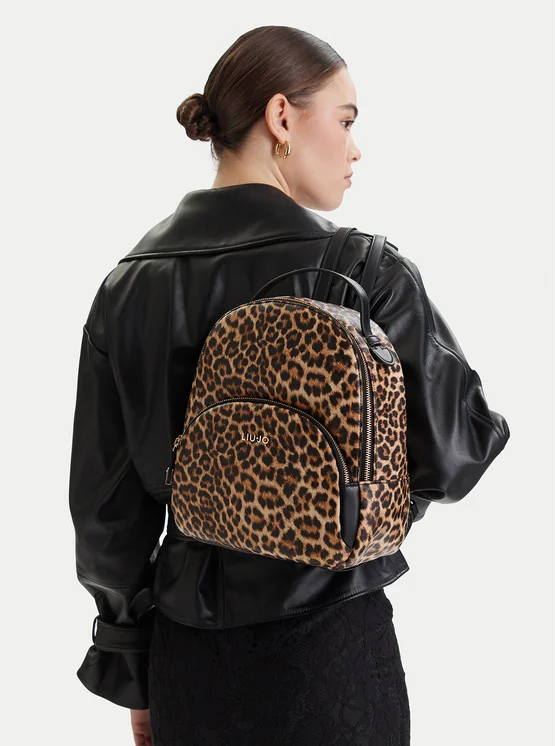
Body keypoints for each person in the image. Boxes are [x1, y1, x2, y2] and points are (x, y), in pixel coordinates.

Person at [68, 25, 510, 746]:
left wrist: (133, 670)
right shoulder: (363, 272)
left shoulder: (126, 287)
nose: (356, 148)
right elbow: (456, 455)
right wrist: (351, 500)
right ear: (281, 117)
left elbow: (105, 515)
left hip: (187, 660)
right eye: (345, 120)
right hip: (328, 651)